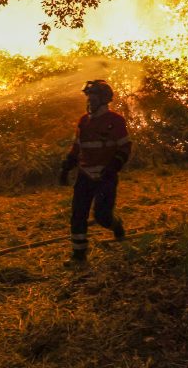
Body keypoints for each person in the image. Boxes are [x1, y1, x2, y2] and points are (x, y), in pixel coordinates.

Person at [59, 79, 131, 266]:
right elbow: (78, 147)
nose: (90, 100)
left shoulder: (115, 121)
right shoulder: (84, 121)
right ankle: (79, 256)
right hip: (85, 176)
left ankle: (116, 224)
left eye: (94, 97)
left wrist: (113, 167)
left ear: (104, 99)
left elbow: (124, 148)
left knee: (102, 216)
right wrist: (67, 167)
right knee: (78, 215)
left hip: (106, 177)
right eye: (88, 97)